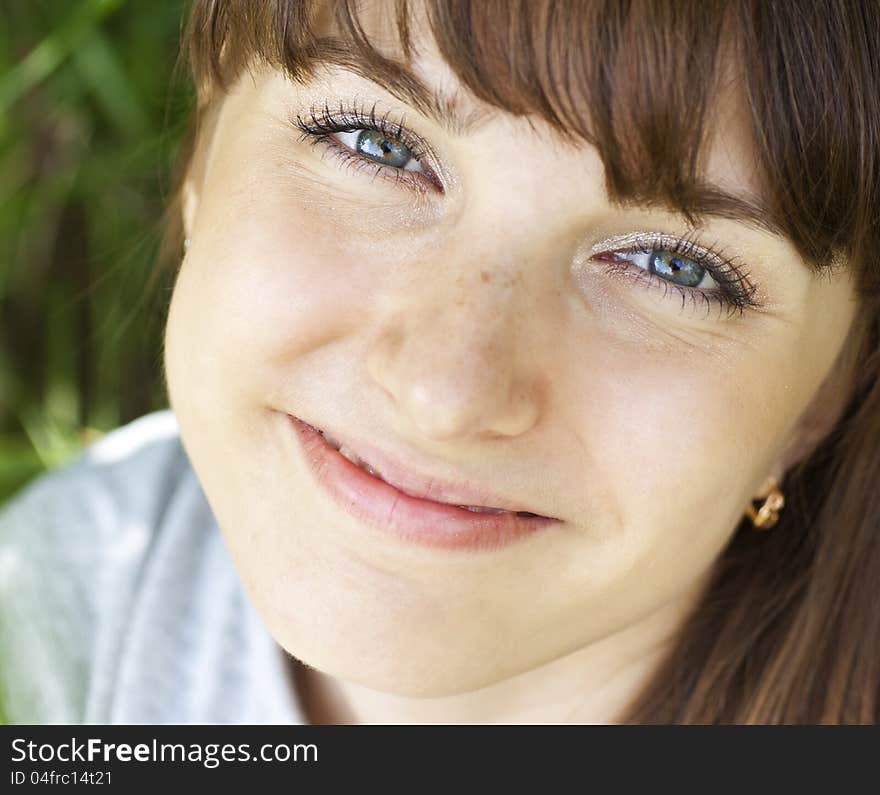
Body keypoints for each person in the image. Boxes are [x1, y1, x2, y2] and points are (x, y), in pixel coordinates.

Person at [1, 0, 878, 725]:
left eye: (672, 265)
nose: (444, 394)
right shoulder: (62, 611)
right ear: (203, 148)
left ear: (826, 388)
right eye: (377, 144)